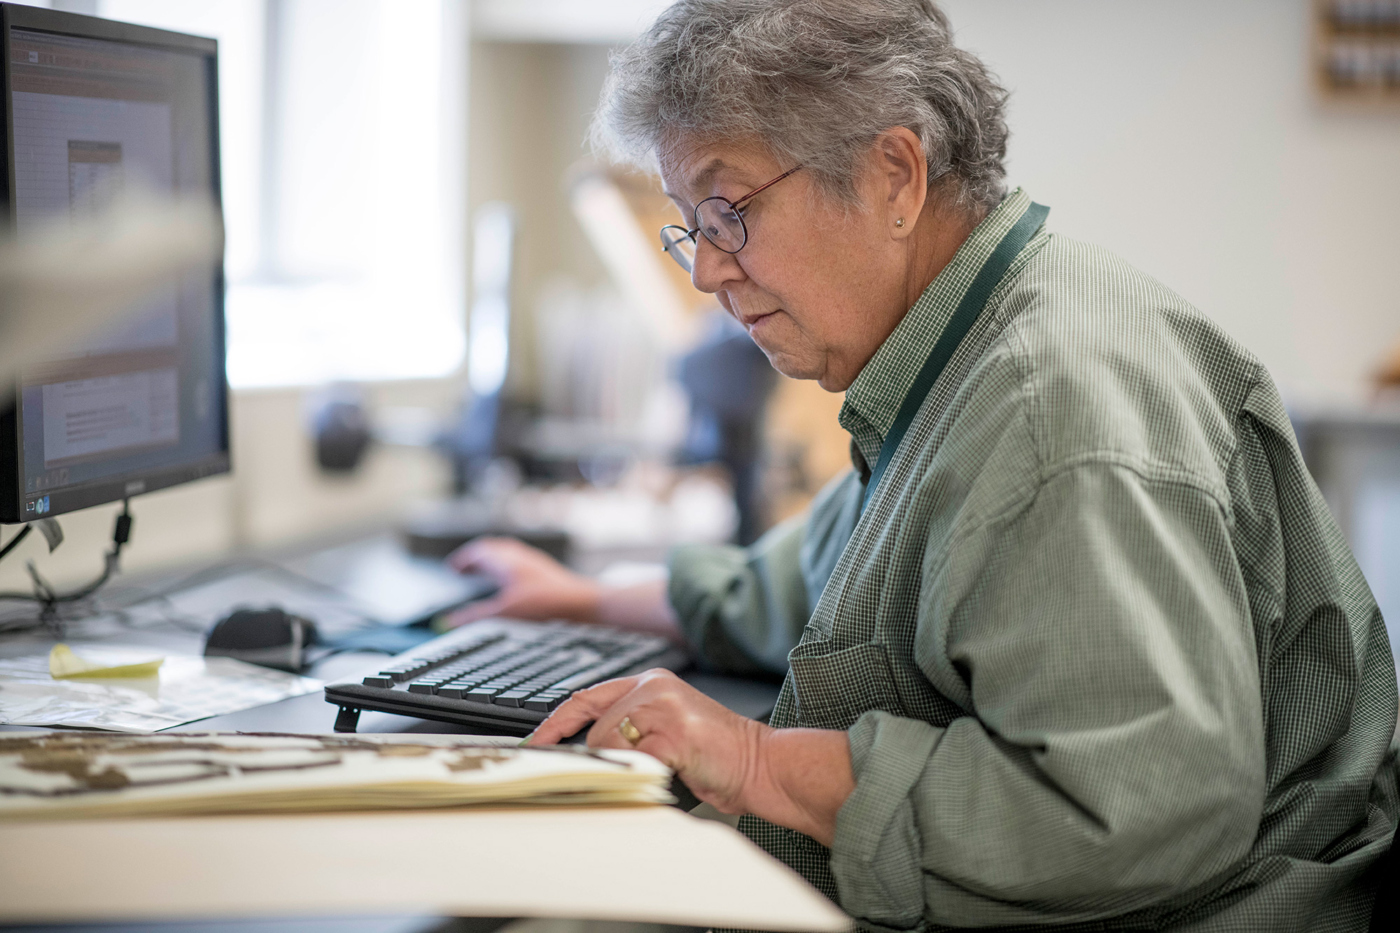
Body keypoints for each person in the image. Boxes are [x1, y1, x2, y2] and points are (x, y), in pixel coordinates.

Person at [449, 1, 1399, 929]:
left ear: (895, 176)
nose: (704, 270)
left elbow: (1135, 815)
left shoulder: (1048, 410)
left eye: (727, 210)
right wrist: (584, 601)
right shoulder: (952, 352)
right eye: (690, 224)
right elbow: (813, 583)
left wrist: (754, 760)